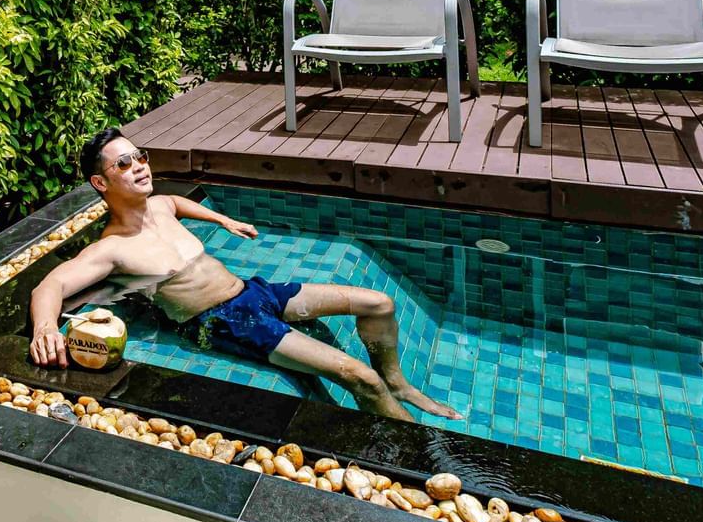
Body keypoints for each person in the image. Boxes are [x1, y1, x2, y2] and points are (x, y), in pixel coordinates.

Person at [28, 127, 461, 422]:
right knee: (357, 377)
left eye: (139, 156)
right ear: (100, 183)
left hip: (255, 294)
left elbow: (179, 204)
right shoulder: (112, 248)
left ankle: (398, 383)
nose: (140, 166)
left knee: (378, 302)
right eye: (123, 164)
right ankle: (416, 460)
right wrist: (45, 327)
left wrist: (222, 221)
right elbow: (53, 283)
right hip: (226, 321)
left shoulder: (158, 205)